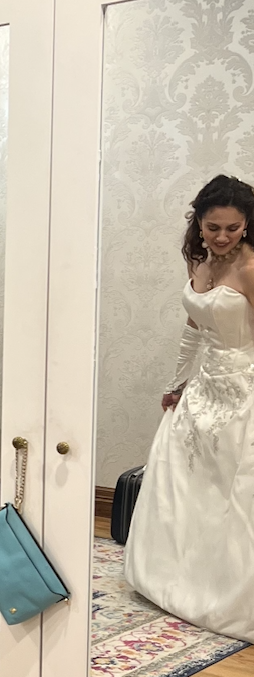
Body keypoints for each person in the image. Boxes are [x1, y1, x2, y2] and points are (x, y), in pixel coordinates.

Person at [125, 173, 254, 641]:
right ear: (198, 223)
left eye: (233, 229)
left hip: (244, 392)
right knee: (185, 486)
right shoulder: (197, 262)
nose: (222, 238)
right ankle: (173, 582)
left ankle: (226, 595)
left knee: (232, 497)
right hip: (203, 390)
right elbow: (193, 329)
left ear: (246, 226)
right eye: (213, 227)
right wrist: (176, 384)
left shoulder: (250, 270)